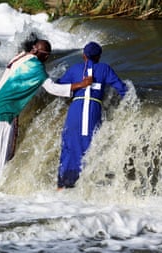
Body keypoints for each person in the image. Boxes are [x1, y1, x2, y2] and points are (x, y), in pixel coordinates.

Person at [0, 39, 92, 181]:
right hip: (4, 112)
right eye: (47, 55)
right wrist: (81, 84)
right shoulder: (37, 68)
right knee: (0, 155)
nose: (46, 58)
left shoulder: (19, 57)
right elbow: (53, 88)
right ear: (43, 55)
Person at [56, 41, 128, 189]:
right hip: (93, 109)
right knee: (89, 144)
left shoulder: (75, 69)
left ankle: (62, 184)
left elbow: (59, 85)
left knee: (69, 144)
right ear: (99, 56)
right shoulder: (105, 69)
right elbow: (122, 89)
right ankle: (83, 186)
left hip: (76, 109)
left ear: (83, 55)